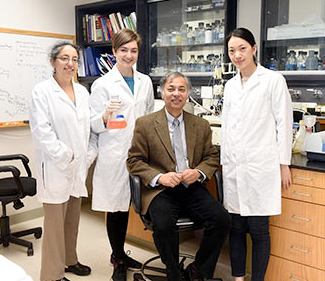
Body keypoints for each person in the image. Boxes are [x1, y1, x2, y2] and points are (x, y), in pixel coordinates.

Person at [127, 71, 230, 281]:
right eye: (171, 89)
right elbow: (134, 161)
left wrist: (198, 172)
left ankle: (198, 270)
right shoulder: (145, 124)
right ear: (162, 93)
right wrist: (159, 177)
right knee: (164, 224)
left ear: (188, 93)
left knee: (222, 219)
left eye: (181, 89)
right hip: (161, 191)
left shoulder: (200, 125)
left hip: (190, 188)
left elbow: (211, 156)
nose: (176, 94)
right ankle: (174, 272)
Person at [221, 27, 293, 281]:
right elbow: (228, 127)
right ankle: (239, 278)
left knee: (259, 229)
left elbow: (283, 124)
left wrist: (284, 163)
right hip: (234, 166)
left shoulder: (273, 80)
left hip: (262, 166)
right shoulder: (230, 85)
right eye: (232, 50)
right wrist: (225, 162)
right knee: (237, 228)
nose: (237, 55)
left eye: (242, 48)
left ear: (254, 49)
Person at [89, 28, 154, 281]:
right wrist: (104, 116)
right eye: (124, 50)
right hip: (114, 154)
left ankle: (122, 255)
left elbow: (148, 115)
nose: (129, 55)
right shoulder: (102, 84)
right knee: (116, 209)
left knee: (137, 205)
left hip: (140, 154)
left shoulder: (145, 82)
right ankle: (117, 257)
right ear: (114, 51)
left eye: (134, 50)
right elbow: (93, 124)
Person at [29, 42, 91, 281]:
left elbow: (85, 127)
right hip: (55, 167)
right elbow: (42, 131)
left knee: (72, 220)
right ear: (53, 62)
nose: (70, 64)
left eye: (74, 59)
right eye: (64, 58)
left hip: (76, 168)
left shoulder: (83, 92)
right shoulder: (42, 91)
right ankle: (52, 275)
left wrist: (82, 156)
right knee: (55, 226)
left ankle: (70, 260)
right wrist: (66, 154)